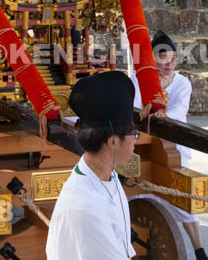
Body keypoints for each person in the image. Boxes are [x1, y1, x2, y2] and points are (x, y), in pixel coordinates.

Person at [129, 31, 208, 260]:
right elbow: (135, 110)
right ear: (153, 59)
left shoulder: (183, 83)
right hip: (141, 145)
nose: (171, 63)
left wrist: (159, 113)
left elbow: (178, 113)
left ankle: (199, 250)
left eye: (174, 58)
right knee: (135, 193)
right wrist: (150, 113)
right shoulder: (137, 80)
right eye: (165, 58)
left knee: (184, 196)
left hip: (173, 146)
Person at [46, 71, 139, 260]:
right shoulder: (86, 207)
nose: (136, 140)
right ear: (113, 142)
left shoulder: (107, 175)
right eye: (133, 134)